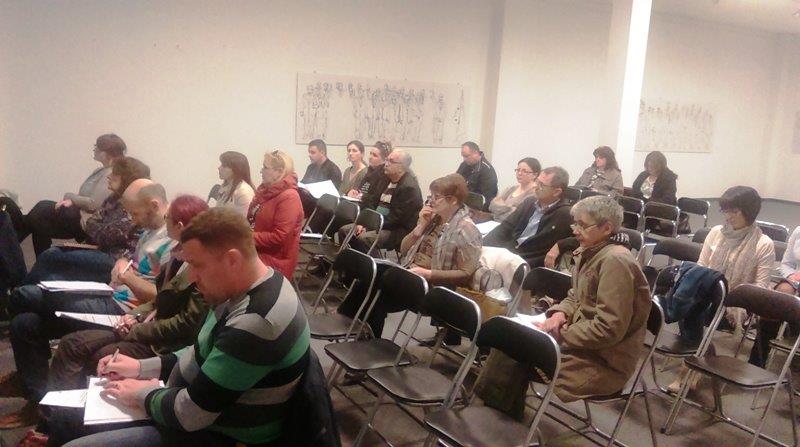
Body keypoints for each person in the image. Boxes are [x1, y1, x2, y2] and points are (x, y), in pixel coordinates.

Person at [55, 207, 310, 446]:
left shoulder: (255, 322)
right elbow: (201, 351)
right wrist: (141, 367)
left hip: (216, 435)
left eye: (197, 266)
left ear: (232, 260)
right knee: (71, 415)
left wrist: (141, 394)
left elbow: (192, 414)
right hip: (192, 408)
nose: (193, 278)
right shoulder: (247, 287)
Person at [3, 196, 210, 437]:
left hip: (143, 326)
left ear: (181, 226)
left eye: (168, 218)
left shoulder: (197, 263)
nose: (164, 221)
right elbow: (158, 298)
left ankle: (57, 425)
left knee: (31, 295)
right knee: (25, 323)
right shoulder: (175, 251)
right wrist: (135, 314)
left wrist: (135, 317)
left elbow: (182, 319)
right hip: (131, 311)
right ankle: (41, 405)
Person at [536, 195, 651, 401]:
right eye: (575, 223)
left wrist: (562, 334)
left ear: (606, 228)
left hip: (603, 362)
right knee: (514, 345)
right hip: (580, 345)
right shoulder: (590, 251)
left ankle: (501, 416)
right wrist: (560, 314)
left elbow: (608, 329)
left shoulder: (616, 262)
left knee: (519, 353)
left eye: (582, 225)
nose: (575, 230)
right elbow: (576, 295)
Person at [23, 157, 151, 285]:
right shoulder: (112, 199)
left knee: (51, 256)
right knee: (50, 252)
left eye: (114, 174)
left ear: (125, 179)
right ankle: (26, 288)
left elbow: (104, 236)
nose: (109, 176)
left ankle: (23, 289)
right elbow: (92, 223)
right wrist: (96, 226)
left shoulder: (131, 206)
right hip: (99, 248)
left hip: (116, 259)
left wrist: (96, 226)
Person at [20, 134, 128, 255]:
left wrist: (69, 197)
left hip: (88, 220)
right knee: (38, 223)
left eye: (96, 146)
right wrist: (73, 200)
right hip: (78, 213)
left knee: (41, 208)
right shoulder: (99, 170)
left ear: (105, 153)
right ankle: (38, 259)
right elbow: (84, 197)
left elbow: (93, 204)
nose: (94, 149)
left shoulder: (111, 173)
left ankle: (14, 242)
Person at [483, 166, 573, 267]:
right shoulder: (529, 202)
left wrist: (560, 245)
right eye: (537, 182)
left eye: (541, 185)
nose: (536, 187)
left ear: (556, 192)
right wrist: (482, 246)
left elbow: (582, 239)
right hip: (508, 253)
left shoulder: (565, 214)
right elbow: (505, 227)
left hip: (528, 262)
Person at [344, 148, 423, 254]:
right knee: (345, 231)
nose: (386, 164)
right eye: (387, 160)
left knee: (364, 238)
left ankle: (372, 264)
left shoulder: (409, 188)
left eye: (391, 161)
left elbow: (395, 219)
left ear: (402, 167)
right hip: (376, 222)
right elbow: (371, 202)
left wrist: (370, 226)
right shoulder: (384, 179)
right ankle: (352, 260)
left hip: (396, 230)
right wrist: (364, 223)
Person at [749, 225, 800, 367]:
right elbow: (786, 264)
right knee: (779, 295)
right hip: (796, 282)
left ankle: (794, 348)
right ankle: (758, 359)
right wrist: (792, 276)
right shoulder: (798, 231)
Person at [248, 150, 304, 279]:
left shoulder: (289, 197)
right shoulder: (266, 192)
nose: (261, 171)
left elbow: (279, 237)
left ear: (279, 172)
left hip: (275, 259)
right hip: (259, 250)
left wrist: (248, 237)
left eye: (265, 167)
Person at [488, 157, 540, 222]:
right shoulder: (511, 189)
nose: (519, 173)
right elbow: (492, 206)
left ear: (534, 175)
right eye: (518, 170)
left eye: (524, 171)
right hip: (495, 223)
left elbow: (517, 216)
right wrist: (510, 208)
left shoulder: (534, 194)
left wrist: (501, 207)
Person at [209, 151, 255, 216]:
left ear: (236, 169)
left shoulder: (244, 191)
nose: (219, 168)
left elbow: (243, 220)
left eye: (224, 166)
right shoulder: (225, 186)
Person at [456, 141, 498, 210]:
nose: (464, 159)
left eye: (466, 156)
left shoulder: (487, 171)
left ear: (476, 153)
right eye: (463, 156)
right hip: (463, 203)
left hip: (478, 209)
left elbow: (487, 199)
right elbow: (456, 181)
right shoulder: (464, 164)